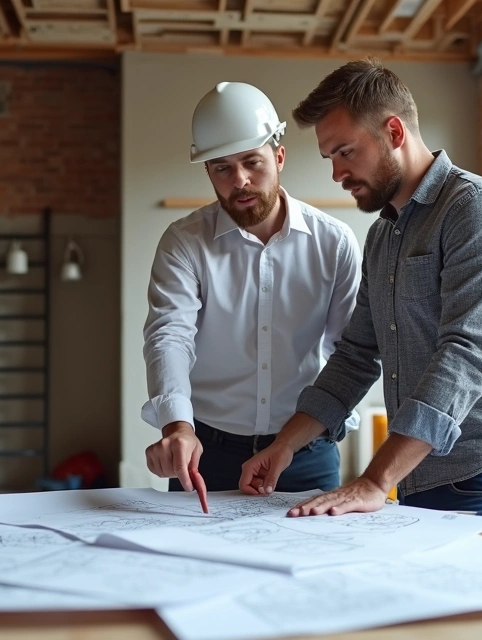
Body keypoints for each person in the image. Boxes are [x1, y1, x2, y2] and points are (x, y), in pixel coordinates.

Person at [238, 59, 482, 557]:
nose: (337, 172)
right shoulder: (383, 235)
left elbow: (468, 355)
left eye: (345, 151)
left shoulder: (478, 210)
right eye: (329, 157)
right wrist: (286, 444)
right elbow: (354, 356)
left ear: (393, 131)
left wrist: (373, 480)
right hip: (418, 478)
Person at [141, 81, 362, 499]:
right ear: (208, 172)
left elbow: (350, 352)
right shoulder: (183, 241)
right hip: (205, 452)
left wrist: (308, 431)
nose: (239, 180)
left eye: (251, 162)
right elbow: (169, 335)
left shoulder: (334, 242)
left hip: (305, 450)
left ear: (279, 157)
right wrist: (176, 426)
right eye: (221, 167)